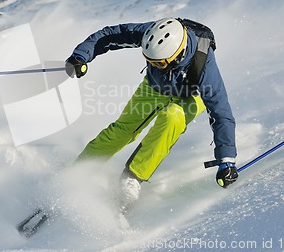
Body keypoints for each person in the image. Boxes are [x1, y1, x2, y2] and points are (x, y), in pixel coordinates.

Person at [65, 17, 238, 212]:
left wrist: (226, 161)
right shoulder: (151, 33)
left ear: (177, 56)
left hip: (191, 96)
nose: (154, 66)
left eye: (159, 64)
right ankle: (77, 172)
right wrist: (80, 56)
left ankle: (132, 178)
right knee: (121, 130)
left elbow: (221, 112)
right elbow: (110, 35)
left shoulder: (204, 62)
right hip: (154, 88)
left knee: (172, 117)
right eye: (149, 62)